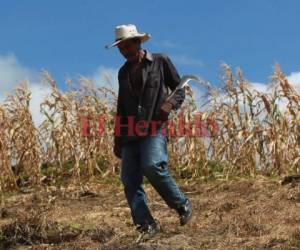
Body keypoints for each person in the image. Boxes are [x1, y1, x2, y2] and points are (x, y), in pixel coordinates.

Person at [105, 24, 192, 238]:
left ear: (137, 43)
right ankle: (146, 225)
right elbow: (122, 107)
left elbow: (181, 88)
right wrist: (118, 139)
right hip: (129, 133)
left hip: (155, 126)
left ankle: (181, 204)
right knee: (129, 180)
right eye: (120, 48)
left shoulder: (160, 61)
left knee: (153, 165)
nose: (124, 51)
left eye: (127, 46)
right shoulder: (123, 72)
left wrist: (170, 104)